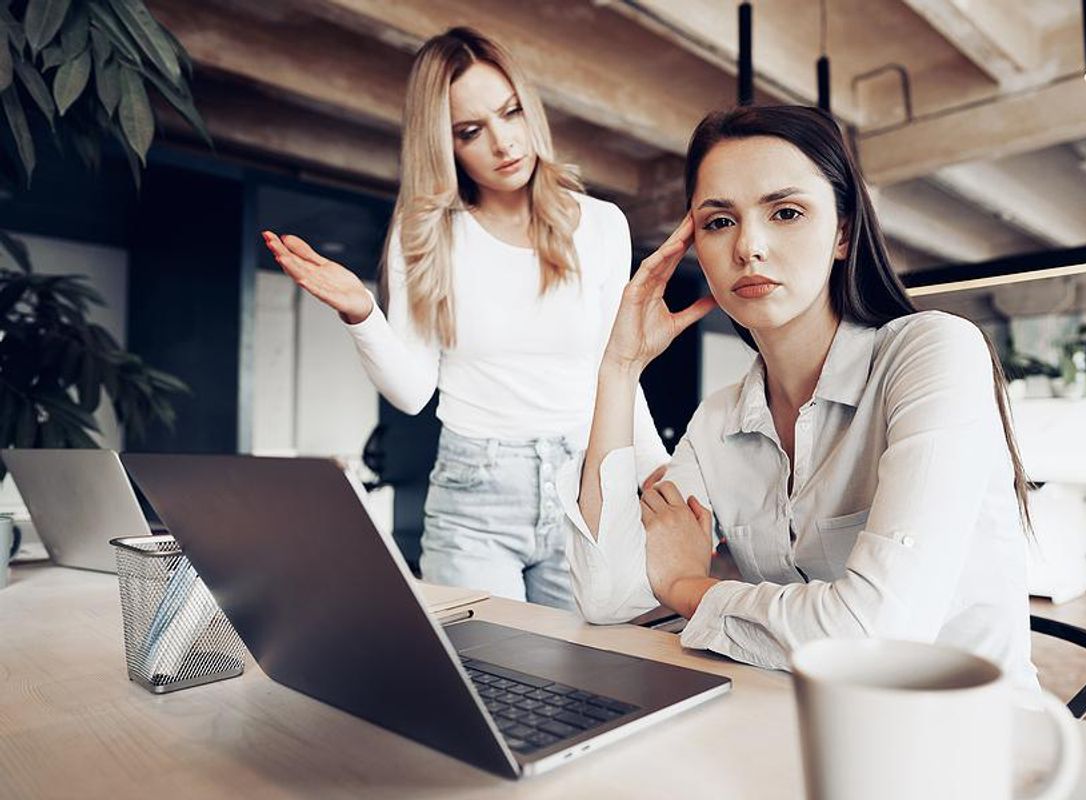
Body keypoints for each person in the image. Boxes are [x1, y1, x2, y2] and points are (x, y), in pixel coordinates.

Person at [561, 104, 1038, 688]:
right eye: (718, 222)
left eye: (785, 212)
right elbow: (607, 597)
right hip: (803, 733)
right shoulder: (718, 423)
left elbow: (875, 635)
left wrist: (689, 587)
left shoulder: (932, 352)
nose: (749, 247)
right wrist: (619, 368)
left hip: (972, 751)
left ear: (842, 232)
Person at [262, 27, 667, 610]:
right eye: (471, 131)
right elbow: (411, 392)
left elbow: (618, 371)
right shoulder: (426, 235)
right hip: (473, 495)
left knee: (577, 685)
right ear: (444, 145)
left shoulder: (602, 225)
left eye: (511, 113)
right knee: (487, 679)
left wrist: (659, 472)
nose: (504, 143)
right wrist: (361, 312)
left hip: (585, 489)